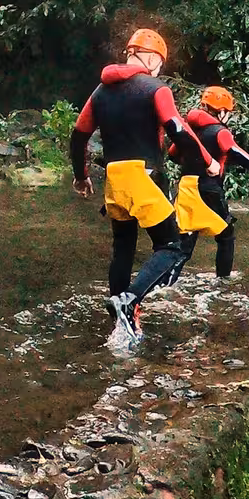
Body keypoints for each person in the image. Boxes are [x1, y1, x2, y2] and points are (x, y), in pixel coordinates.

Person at [69, 28, 221, 340]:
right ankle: (131, 300)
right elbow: (178, 130)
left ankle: (118, 315)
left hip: (114, 179)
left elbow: (79, 134)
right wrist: (207, 160)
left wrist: (82, 176)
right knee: (172, 246)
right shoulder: (156, 88)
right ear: (152, 59)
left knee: (123, 248)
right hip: (143, 175)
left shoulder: (99, 92)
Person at [169, 85, 249, 278]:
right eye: (227, 112)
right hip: (208, 188)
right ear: (221, 112)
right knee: (226, 235)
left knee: (185, 242)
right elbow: (233, 150)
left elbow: (172, 154)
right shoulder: (220, 131)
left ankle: (165, 283)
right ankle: (224, 280)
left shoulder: (189, 129)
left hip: (186, 186)